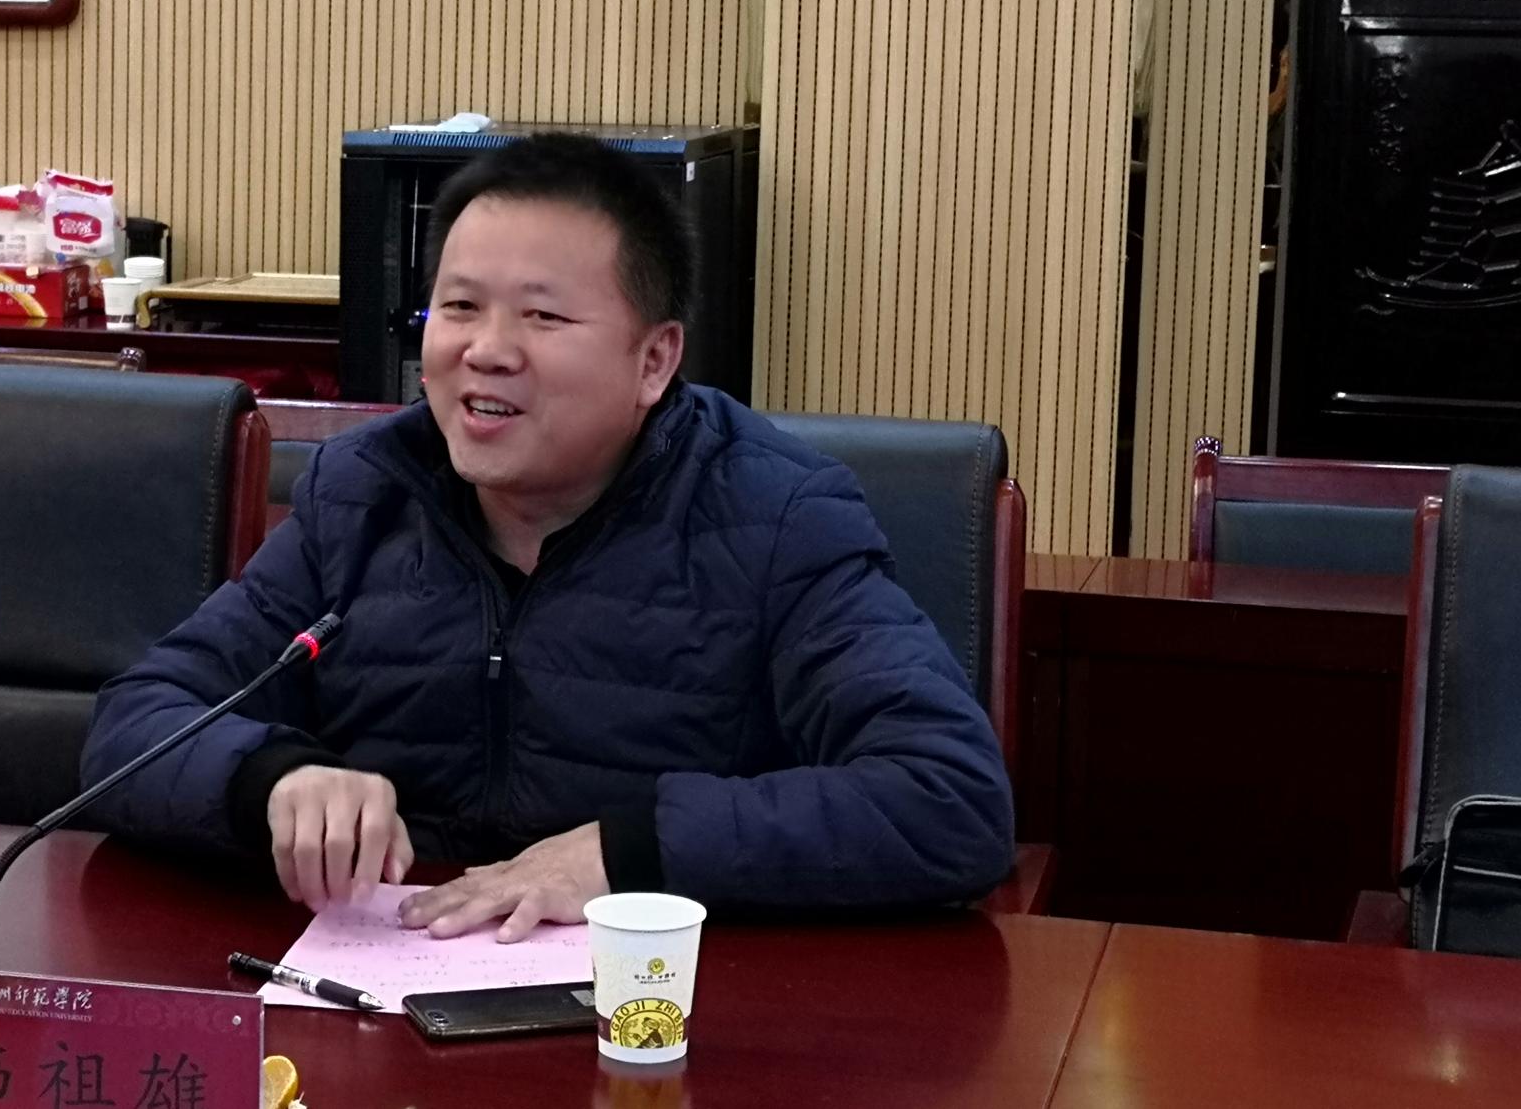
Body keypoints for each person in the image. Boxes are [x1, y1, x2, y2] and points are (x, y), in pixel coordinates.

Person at [83, 133, 1013, 937]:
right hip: (386, 980)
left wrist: (628, 852)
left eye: (543, 315)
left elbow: (950, 798)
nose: (486, 349)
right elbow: (134, 724)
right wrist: (273, 780)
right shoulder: (365, 494)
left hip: (657, 1006)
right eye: (458, 307)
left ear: (654, 361)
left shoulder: (775, 518)